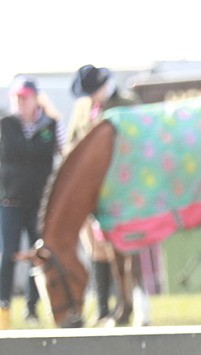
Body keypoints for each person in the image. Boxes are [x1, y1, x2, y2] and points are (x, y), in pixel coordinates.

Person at [66, 64, 140, 321]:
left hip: (119, 188)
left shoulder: (127, 104)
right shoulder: (83, 110)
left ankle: (126, 302)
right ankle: (102, 308)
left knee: (121, 248)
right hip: (92, 191)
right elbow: (72, 145)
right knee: (95, 247)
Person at [0, 77, 59, 329]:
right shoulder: (5, 125)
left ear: (36, 98)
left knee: (39, 253)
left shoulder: (50, 125)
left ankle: (33, 307)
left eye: (25, 97)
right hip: (10, 200)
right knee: (9, 253)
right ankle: (3, 307)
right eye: (17, 98)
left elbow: (61, 156)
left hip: (39, 203)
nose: (20, 103)